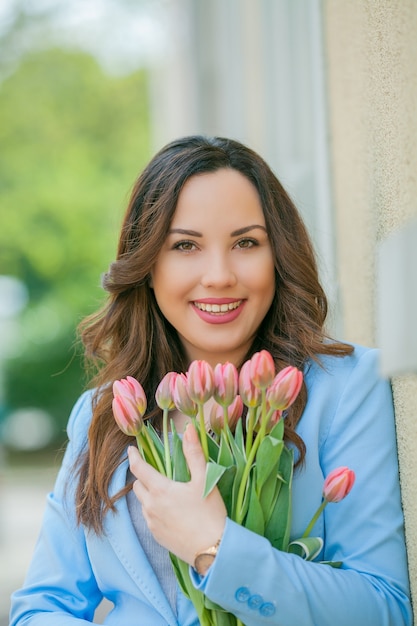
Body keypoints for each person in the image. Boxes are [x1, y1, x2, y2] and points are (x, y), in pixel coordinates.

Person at [10, 136, 412, 626]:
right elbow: (42, 607)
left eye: (246, 243)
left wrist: (214, 548)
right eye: (185, 245)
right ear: (148, 266)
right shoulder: (107, 413)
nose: (219, 275)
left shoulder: (345, 389)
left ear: (278, 255)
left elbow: (382, 609)